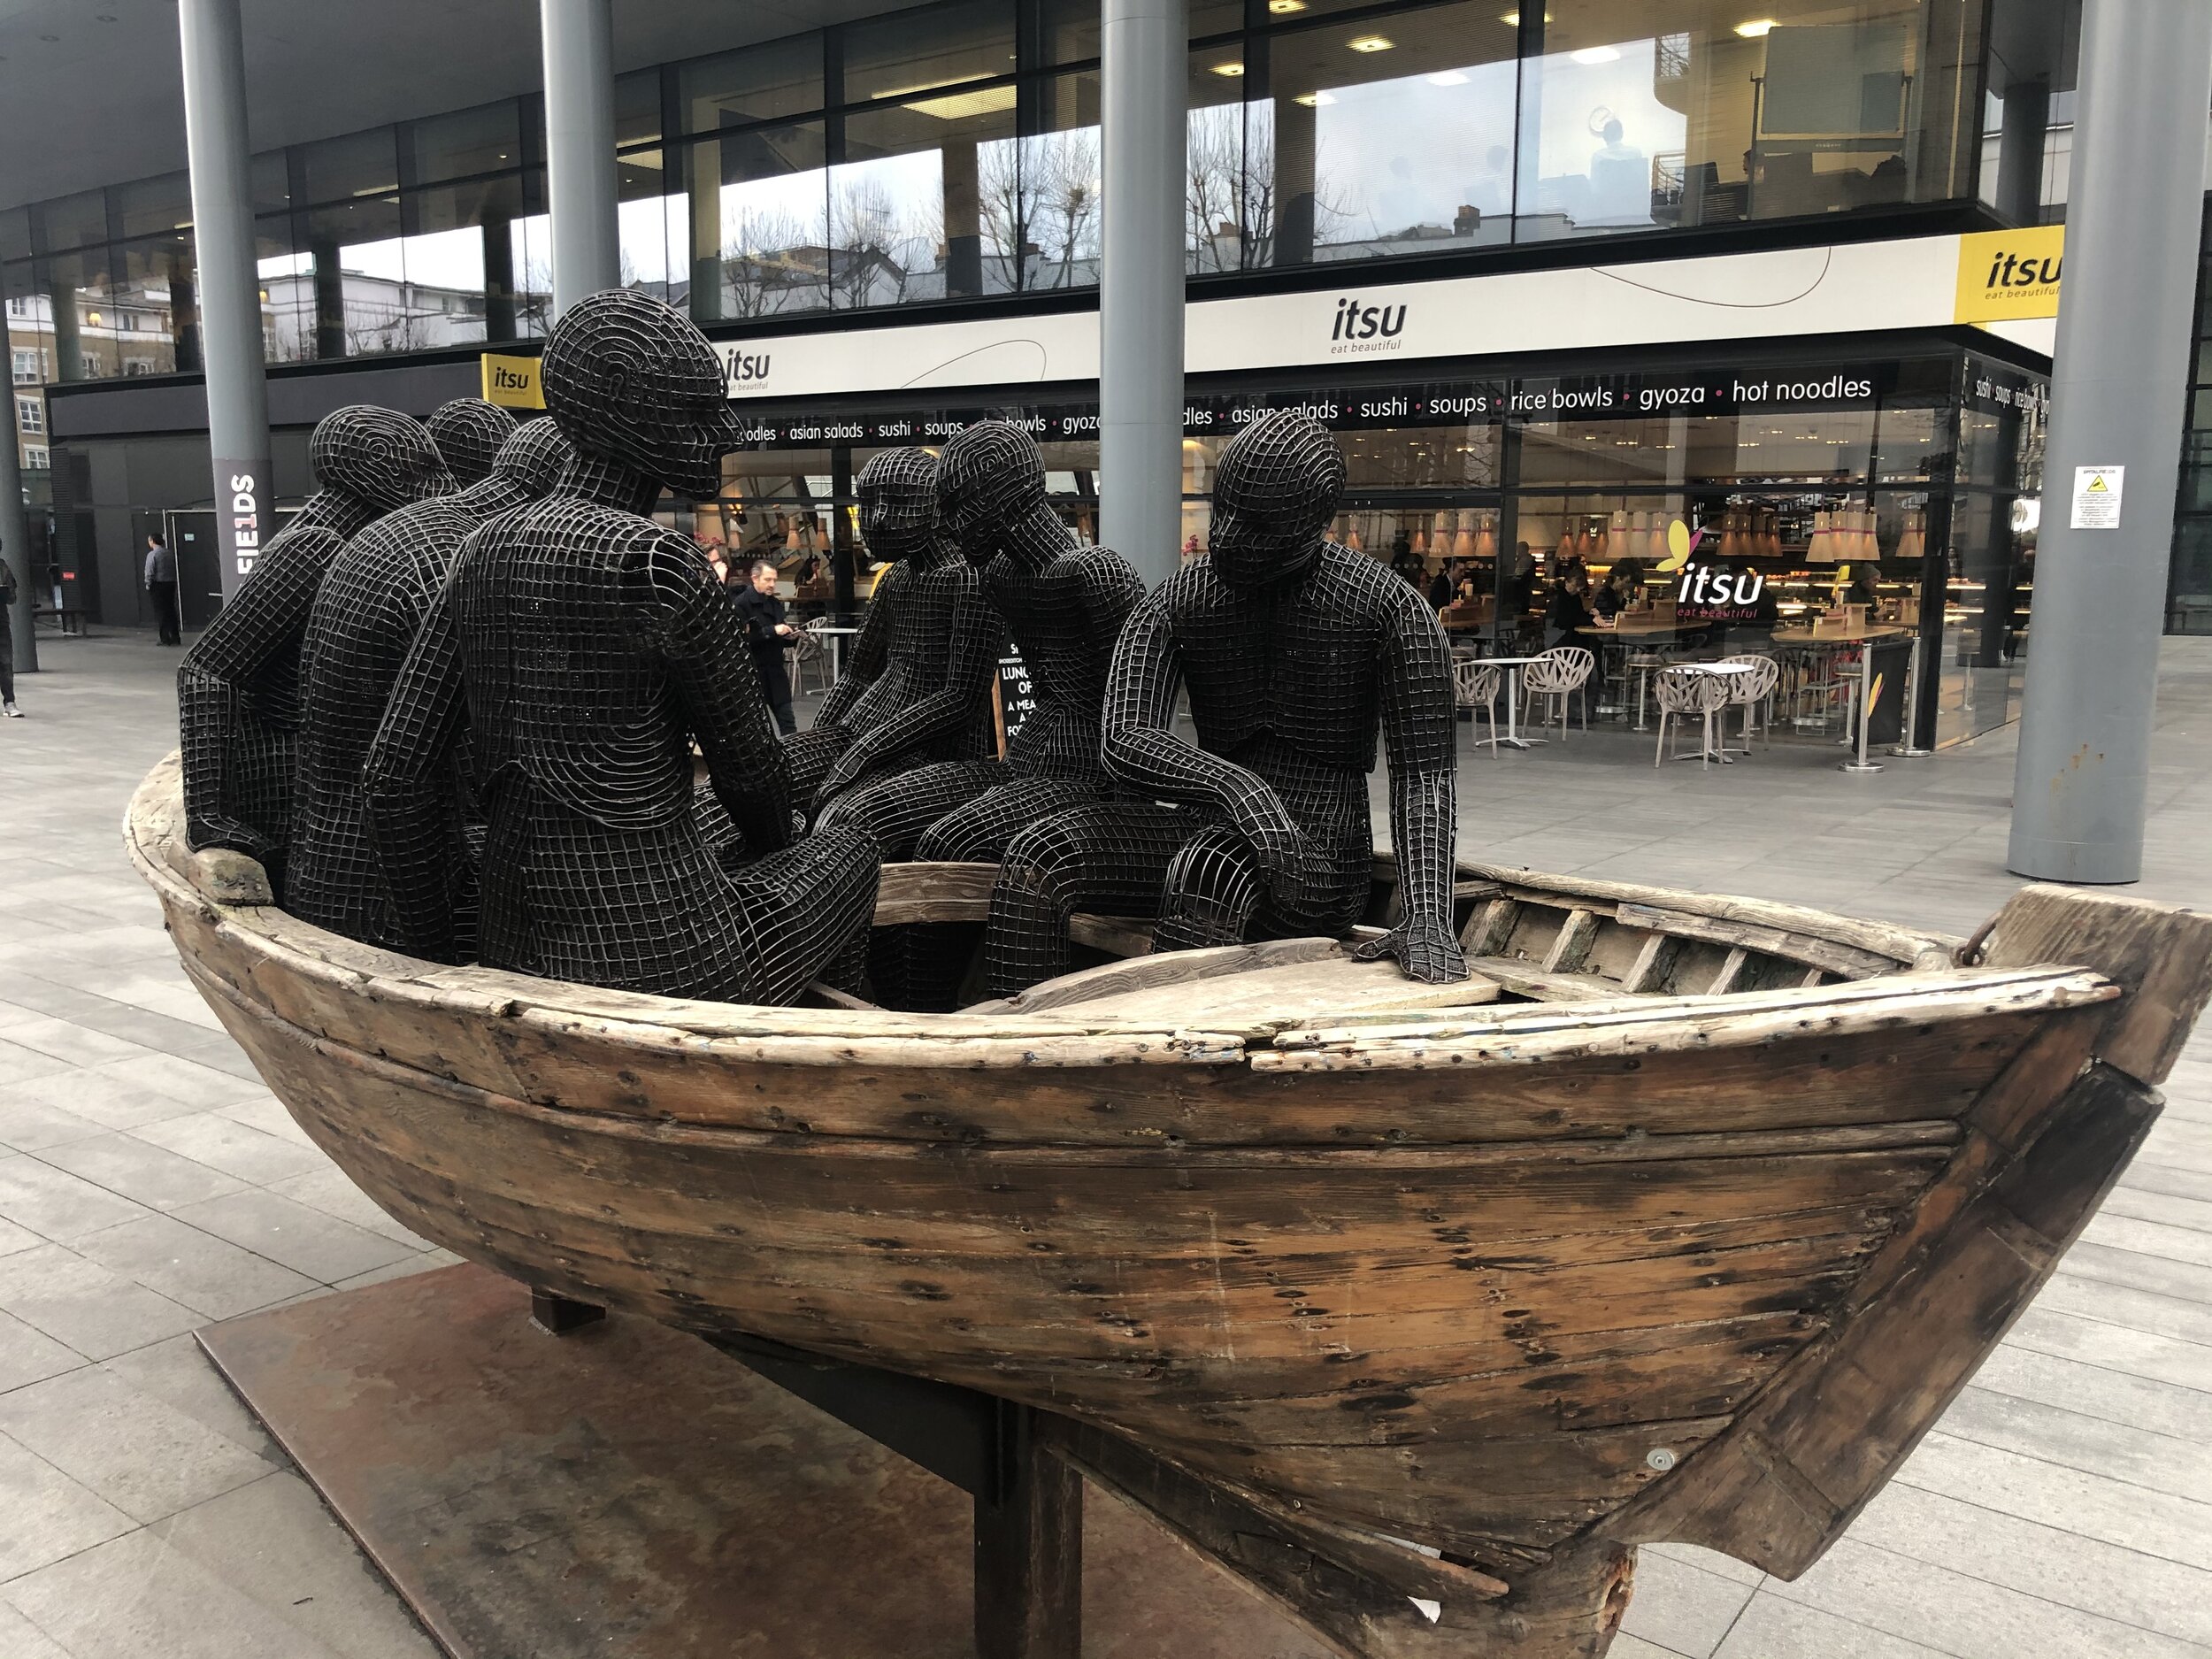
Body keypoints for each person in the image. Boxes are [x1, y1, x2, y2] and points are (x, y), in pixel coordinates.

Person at [362, 288, 878, 1003]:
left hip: (512, 939)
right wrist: (775, 848)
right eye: (699, 410)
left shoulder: (482, 551)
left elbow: (394, 775)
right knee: (848, 849)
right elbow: (751, 777)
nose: (726, 430)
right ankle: (814, 1064)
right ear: (620, 403)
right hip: (668, 956)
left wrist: (439, 965)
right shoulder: (658, 564)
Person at [979, 411, 1467, 996]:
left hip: (1318, 854)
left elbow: (1426, 778)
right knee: (1040, 853)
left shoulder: (1387, 606)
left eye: (1258, 525)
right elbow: (1124, 736)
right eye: (1224, 511)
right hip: (1217, 821)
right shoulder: (1186, 594)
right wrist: (1241, 790)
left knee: (1210, 868)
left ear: (1312, 524)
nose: (1230, 536)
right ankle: (1013, 1039)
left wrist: (1428, 916)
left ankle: (1168, 1063)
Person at [288, 418, 575, 956]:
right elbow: (406, 770)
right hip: (385, 894)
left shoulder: (403, 532)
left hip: (334, 861)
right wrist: (433, 950)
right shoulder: (453, 557)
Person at [178, 405, 453, 894]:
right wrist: (209, 815)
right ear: (370, 470)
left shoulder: (354, 545)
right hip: (284, 782)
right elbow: (206, 671)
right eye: (424, 470)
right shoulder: (317, 548)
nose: (440, 487)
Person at [733, 556, 798, 735]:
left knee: (788, 720)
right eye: (768, 579)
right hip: (753, 673)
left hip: (776, 670)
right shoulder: (741, 604)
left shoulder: (774, 603)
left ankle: (793, 757)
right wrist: (771, 631)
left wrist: (791, 636)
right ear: (755, 578)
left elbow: (779, 631)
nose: (772, 584)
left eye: (774, 580)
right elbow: (740, 640)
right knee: (757, 727)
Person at [144, 532, 181, 645]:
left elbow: (150, 571)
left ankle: (165, 638)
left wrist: (148, 583)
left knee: (161, 612)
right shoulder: (169, 553)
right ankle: (175, 636)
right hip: (170, 583)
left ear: (152, 541)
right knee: (171, 610)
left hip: (158, 585)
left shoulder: (152, 555)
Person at [1544, 567, 1595, 648]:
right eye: (1575, 586)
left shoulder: (1573, 596)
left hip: (1563, 635)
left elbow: (1577, 616)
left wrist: (1590, 614)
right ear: (1567, 583)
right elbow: (1566, 620)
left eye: (1580, 587)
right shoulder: (1559, 597)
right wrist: (1591, 619)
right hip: (1559, 636)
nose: (1578, 589)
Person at [0, 549, 19, 718]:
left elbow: (13, 598)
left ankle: (10, 702)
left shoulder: (3, 568)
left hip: (1, 623)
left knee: (5, 662)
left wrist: (6, 593)